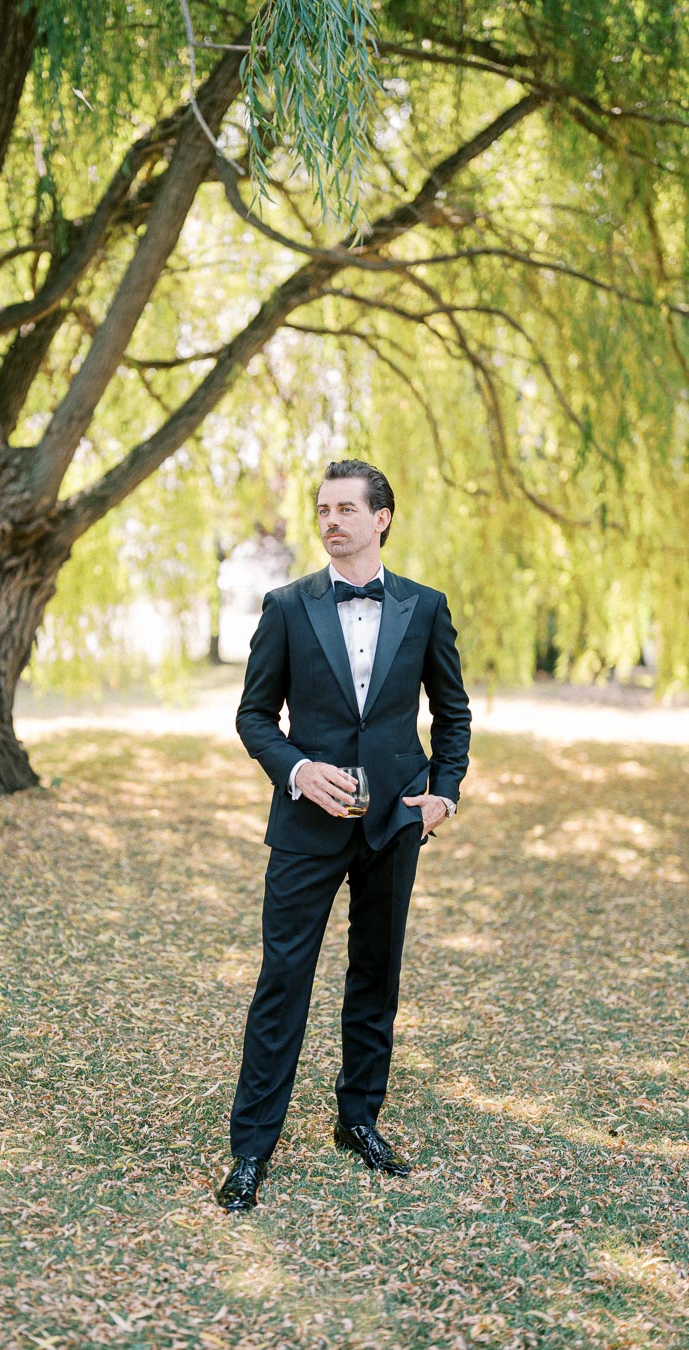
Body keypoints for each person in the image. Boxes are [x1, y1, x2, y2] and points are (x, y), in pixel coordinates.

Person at [215, 459, 471, 1212]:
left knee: (376, 977)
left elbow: (453, 713)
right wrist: (297, 770)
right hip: (305, 824)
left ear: (380, 518)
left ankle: (358, 1120)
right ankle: (251, 1150)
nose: (331, 520)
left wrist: (443, 795)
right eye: (323, 509)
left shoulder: (425, 607)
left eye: (346, 509)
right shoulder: (286, 606)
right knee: (282, 981)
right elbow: (254, 717)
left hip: (395, 821)